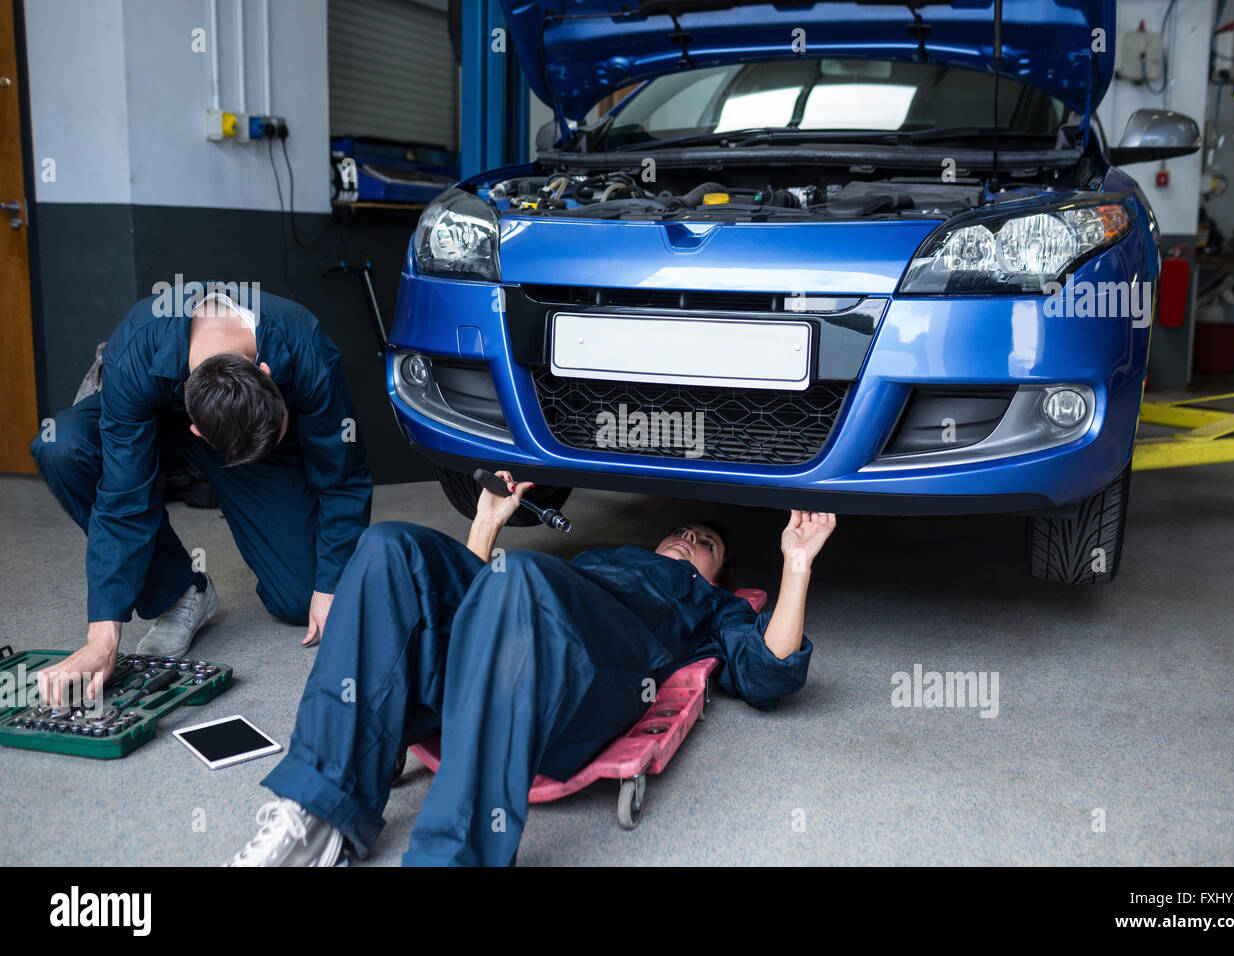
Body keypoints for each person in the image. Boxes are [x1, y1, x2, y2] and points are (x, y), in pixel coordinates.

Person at [228, 471, 836, 866]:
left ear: (718, 573)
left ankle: (450, 858)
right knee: (390, 547)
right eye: (679, 530)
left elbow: (769, 670)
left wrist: (796, 565)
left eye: (704, 540)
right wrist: (487, 523)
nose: (686, 537)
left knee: (517, 577)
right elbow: (464, 603)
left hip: (594, 672)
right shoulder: (597, 558)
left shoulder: (715, 606)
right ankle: (317, 814)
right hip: (512, 630)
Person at [32, 285, 373, 705]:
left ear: (265, 373)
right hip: (157, 425)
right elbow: (123, 500)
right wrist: (102, 635)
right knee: (62, 445)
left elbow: (345, 474)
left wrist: (331, 583)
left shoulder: (302, 340)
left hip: (255, 440)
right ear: (198, 430)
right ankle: (180, 591)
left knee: (302, 598)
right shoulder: (136, 347)